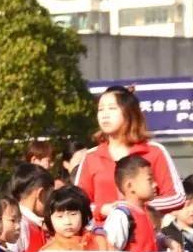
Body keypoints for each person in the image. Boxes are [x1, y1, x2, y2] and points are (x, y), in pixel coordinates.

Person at [74, 86, 184, 223]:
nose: (104, 115)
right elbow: (76, 202)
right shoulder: (91, 157)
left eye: (112, 108)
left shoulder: (154, 152)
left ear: (129, 113)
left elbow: (177, 197)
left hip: (144, 237)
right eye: (101, 109)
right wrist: (102, 209)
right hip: (102, 239)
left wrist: (136, 206)